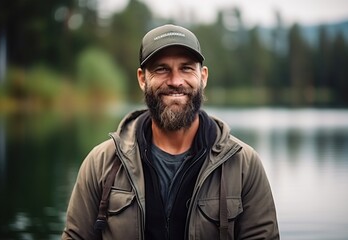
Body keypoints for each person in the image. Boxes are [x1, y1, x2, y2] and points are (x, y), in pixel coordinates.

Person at [62, 24, 279, 240]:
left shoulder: (244, 165)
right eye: (161, 69)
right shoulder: (100, 163)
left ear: (203, 77)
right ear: (142, 79)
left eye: (186, 68)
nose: (175, 81)